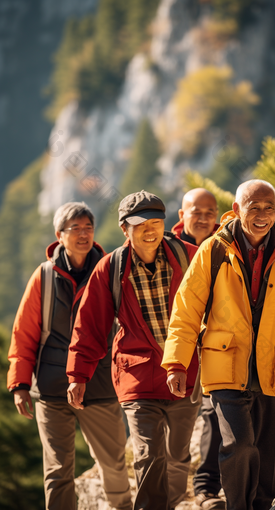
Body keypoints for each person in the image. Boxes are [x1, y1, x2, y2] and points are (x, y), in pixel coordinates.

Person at [162, 180, 275, 510]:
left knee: (267, 449)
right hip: (225, 365)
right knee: (239, 443)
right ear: (237, 210)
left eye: (269, 208)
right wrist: (176, 363)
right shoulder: (212, 250)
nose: (262, 215)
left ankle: (263, 504)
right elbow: (186, 310)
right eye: (254, 208)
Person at [66, 191, 200, 510]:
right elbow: (90, 326)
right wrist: (77, 375)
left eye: (156, 221)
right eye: (140, 224)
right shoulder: (110, 268)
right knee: (148, 455)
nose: (150, 229)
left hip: (186, 373)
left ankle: (172, 504)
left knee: (178, 455)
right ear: (125, 228)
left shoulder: (191, 256)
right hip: (137, 376)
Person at [7, 202, 132, 510]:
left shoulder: (110, 270)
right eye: (74, 229)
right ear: (59, 235)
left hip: (100, 384)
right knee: (57, 470)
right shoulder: (45, 277)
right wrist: (20, 384)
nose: (83, 235)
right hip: (52, 387)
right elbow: (25, 332)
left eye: (88, 228)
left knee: (113, 463)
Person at [172, 188, 225, 510]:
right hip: (176, 346)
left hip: (217, 347)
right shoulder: (164, 248)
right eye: (196, 211)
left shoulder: (228, 247)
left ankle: (206, 488)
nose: (204, 218)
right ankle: (169, 490)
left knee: (214, 413)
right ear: (182, 215)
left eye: (210, 211)